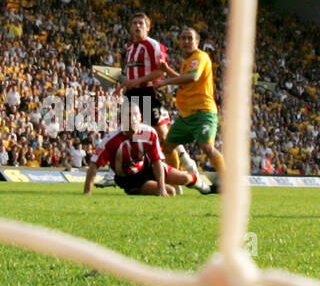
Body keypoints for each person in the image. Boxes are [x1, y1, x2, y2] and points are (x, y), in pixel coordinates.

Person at [119, 11, 201, 180]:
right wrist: (122, 86)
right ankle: (133, 172)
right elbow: (129, 74)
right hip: (131, 95)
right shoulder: (129, 48)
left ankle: (182, 165)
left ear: (148, 28)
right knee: (132, 134)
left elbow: (160, 71)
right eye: (134, 23)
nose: (137, 26)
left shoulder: (153, 45)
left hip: (147, 93)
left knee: (163, 137)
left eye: (141, 23)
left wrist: (138, 81)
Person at [82, 102, 210, 196]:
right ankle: (141, 189)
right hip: (130, 179)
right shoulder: (111, 140)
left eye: (135, 115)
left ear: (140, 118)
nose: (132, 118)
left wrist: (161, 187)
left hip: (147, 167)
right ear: (121, 119)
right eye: (128, 115)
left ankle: (208, 188)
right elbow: (94, 165)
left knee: (185, 179)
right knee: (171, 192)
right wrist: (87, 192)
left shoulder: (149, 133)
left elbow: (157, 161)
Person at [154, 27, 224, 185]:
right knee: (167, 147)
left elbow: (192, 77)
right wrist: (167, 70)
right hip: (186, 115)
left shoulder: (200, 56)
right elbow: (184, 80)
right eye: (183, 38)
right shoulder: (187, 62)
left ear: (197, 42)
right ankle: (173, 183)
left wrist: (165, 81)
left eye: (190, 38)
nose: (186, 41)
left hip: (203, 111)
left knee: (206, 146)